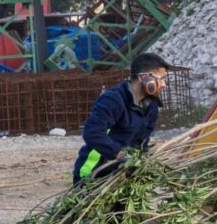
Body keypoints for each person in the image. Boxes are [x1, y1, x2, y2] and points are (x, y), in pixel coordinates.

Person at [72, 52, 171, 184]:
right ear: (147, 78)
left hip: (122, 176)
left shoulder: (151, 106)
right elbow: (92, 133)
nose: (164, 85)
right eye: (162, 78)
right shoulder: (113, 100)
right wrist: (118, 154)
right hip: (94, 174)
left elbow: (142, 142)